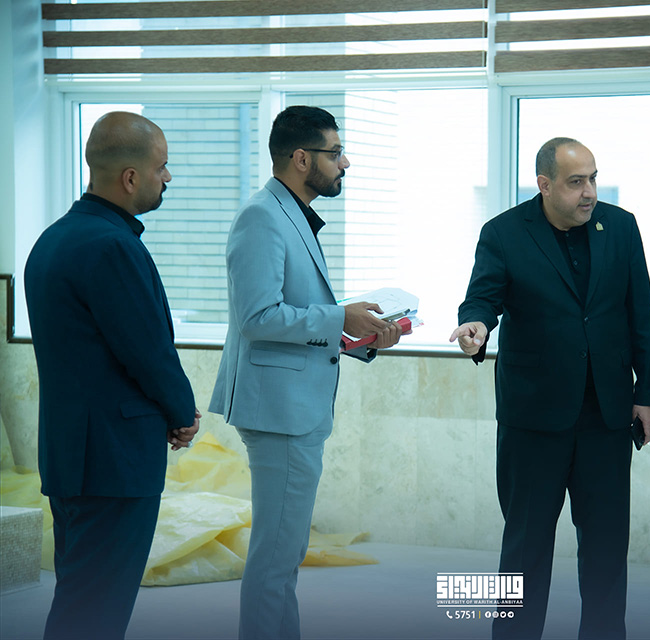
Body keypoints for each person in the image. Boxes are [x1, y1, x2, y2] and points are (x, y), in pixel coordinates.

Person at [451, 137, 650, 640]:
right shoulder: (504, 233)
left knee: (607, 549)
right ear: (544, 185)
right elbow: (483, 297)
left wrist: (648, 393)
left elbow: (641, 314)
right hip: (534, 419)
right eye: (575, 182)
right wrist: (475, 325)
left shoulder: (621, 226)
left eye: (593, 178)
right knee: (524, 549)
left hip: (606, 416)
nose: (589, 192)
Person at [208, 105, 403, 640]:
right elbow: (258, 318)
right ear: (300, 158)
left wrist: (361, 334)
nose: (346, 163)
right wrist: (340, 316)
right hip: (279, 410)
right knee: (276, 558)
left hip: (293, 405)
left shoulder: (289, 213)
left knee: (284, 555)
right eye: (335, 153)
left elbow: (294, 314)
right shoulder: (262, 216)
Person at [24, 111, 200, 640]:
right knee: (96, 611)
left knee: (80, 600)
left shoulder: (54, 239)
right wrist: (181, 412)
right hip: (113, 461)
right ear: (129, 177)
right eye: (161, 167)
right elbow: (146, 350)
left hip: (72, 456)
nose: (167, 177)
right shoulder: (112, 245)